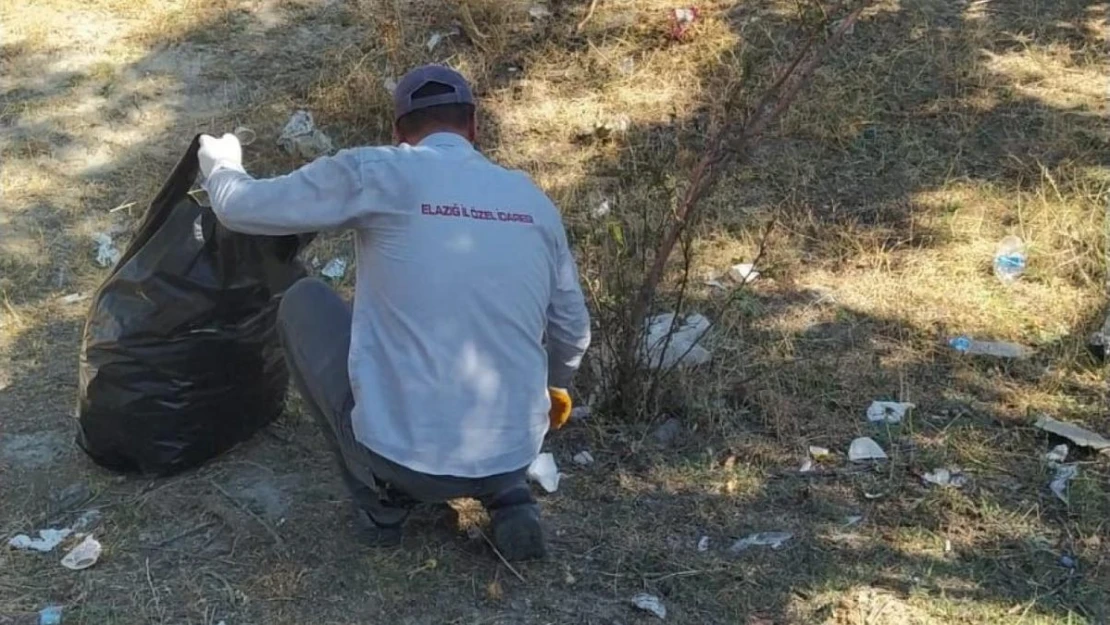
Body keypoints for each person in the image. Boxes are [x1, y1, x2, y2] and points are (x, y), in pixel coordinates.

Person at [197, 65, 590, 561]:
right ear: (473, 129)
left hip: (410, 460)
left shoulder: (377, 171)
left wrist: (222, 164)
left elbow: (241, 208)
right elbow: (572, 329)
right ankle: (508, 496)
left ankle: (382, 497)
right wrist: (554, 385)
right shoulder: (532, 201)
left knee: (303, 302)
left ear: (399, 133)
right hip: (516, 450)